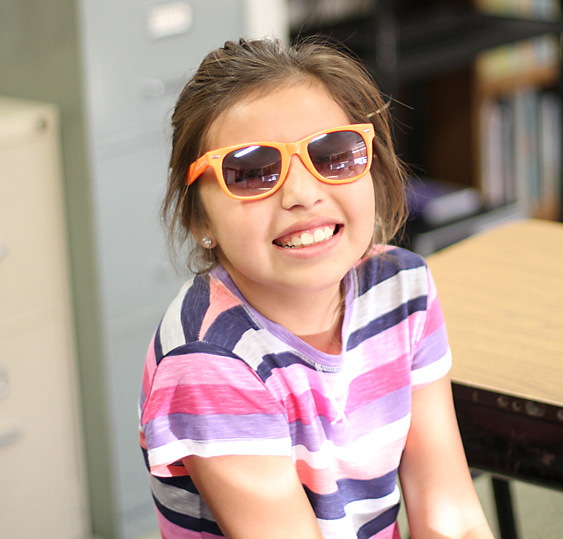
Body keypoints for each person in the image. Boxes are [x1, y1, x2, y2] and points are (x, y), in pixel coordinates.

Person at [139, 37, 494, 539]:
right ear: (200, 218)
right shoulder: (209, 361)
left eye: (334, 154)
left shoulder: (402, 288)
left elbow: (450, 516)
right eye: (252, 171)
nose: (303, 194)